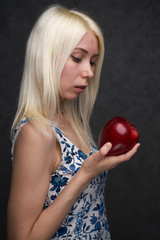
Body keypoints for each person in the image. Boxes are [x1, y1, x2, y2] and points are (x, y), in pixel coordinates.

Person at [7, 5, 140, 240]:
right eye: (78, 58)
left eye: (93, 62)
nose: (89, 72)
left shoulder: (69, 122)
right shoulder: (36, 133)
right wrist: (84, 174)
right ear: (46, 57)